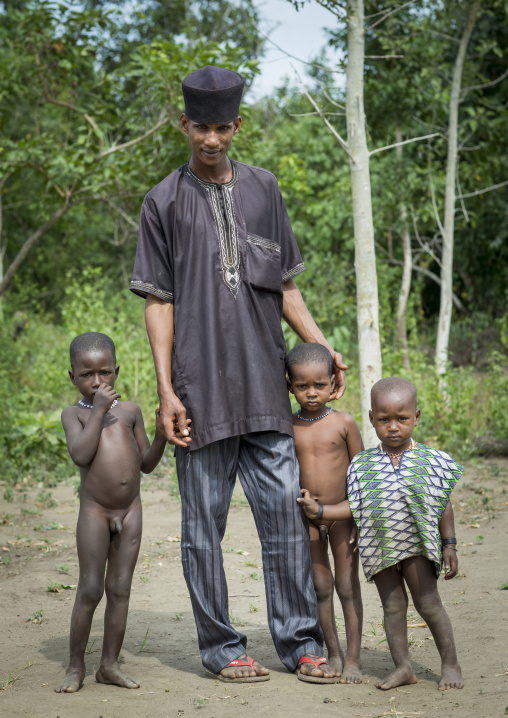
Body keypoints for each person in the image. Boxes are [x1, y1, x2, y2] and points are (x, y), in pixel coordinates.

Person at [130, 65, 348, 683]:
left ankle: (301, 643)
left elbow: (283, 285)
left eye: (223, 127)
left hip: (264, 390)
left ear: (237, 126)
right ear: (184, 124)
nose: (212, 139)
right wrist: (168, 389)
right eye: (201, 126)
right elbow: (159, 302)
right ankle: (223, 649)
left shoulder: (264, 190)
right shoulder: (162, 202)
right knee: (203, 532)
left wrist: (321, 345)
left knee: (284, 518)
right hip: (198, 396)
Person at [297, 376, 464, 692]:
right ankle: (403, 668)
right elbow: (354, 506)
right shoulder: (362, 464)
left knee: (428, 604)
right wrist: (320, 513)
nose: (393, 427)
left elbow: (443, 503)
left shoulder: (430, 460)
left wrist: (449, 543)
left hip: (417, 545)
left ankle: (450, 664)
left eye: (402, 419)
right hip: (381, 548)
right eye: (384, 419)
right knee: (392, 607)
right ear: (371, 418)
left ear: (416, 417)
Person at [55, 332, 166, 693]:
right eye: (87, 375)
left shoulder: (131, 412)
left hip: (130, 511)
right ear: (72, 376)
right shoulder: (73, 414)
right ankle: (75, 667)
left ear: (116, 371)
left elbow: (146, 464)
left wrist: (163, 434)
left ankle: (109, 665)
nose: (97, 382)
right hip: (96, 512)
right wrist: (99, 409)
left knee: (119, 588)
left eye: (104, 373)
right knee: (90, 588)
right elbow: (80, 455)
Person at [289, 343, 364, 683]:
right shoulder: (289, 426)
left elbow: (362, 477)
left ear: (333, 384)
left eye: (320, 385)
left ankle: (353, 659)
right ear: (289, 385)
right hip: (309, 520)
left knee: (347, 587)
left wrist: (362, 518)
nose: (311, 392)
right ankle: (331, 653)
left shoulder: (343, 423)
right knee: (321, 587)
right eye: (302, 385)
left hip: (344, 517)